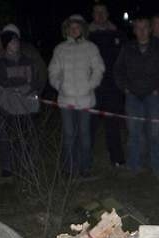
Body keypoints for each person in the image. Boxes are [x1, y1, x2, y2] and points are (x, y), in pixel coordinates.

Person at [114, 16, 159, 178]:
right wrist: (125, 88)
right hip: (133, 96)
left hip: (153, 96)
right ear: (134, 30)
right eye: (138, 28)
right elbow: (118, 70)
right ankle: (134, 167)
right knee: (134, 133)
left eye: (145, 27)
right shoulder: (127, 48)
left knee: (155, 133)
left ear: (150, 29)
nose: (141, 31)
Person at [48, 14, 104, 177]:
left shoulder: (91, 47)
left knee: (85, 137)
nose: (74, 30)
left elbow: (99, 69)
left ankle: (85, 168)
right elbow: (53, 71)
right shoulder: (60, 49)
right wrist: (60, 86)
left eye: (77, 27)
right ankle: (69, 169)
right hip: (66, 101)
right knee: (69, 136)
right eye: (71, 27)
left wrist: (90, 85)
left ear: (82, 29)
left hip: (85, 100)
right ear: (67, 30)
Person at [0, 28, 40, 177]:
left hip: (27, 107)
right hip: (10, 107)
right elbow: (4, 84)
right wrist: (20, 85)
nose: (15, 44)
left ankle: (27, 165)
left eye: (16, 41)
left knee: (27, 137)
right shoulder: (1, 64)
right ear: (6, 45)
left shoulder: (29, 61)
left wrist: (20, 87)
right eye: (12, 41)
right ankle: (10, 167)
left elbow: (33, 82)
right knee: (11, 138)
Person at [89, 3, 126, 167]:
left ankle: (117, 159)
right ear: (92, 15)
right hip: (92, 88)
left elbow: (124, 60)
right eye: (96, 12)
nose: (100, 15)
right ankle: (85, 160)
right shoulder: (86, 36)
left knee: (113, 126)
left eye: (102, 12)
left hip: (112, 88)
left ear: (108, 14)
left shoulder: (118, 34)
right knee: (89, 126)